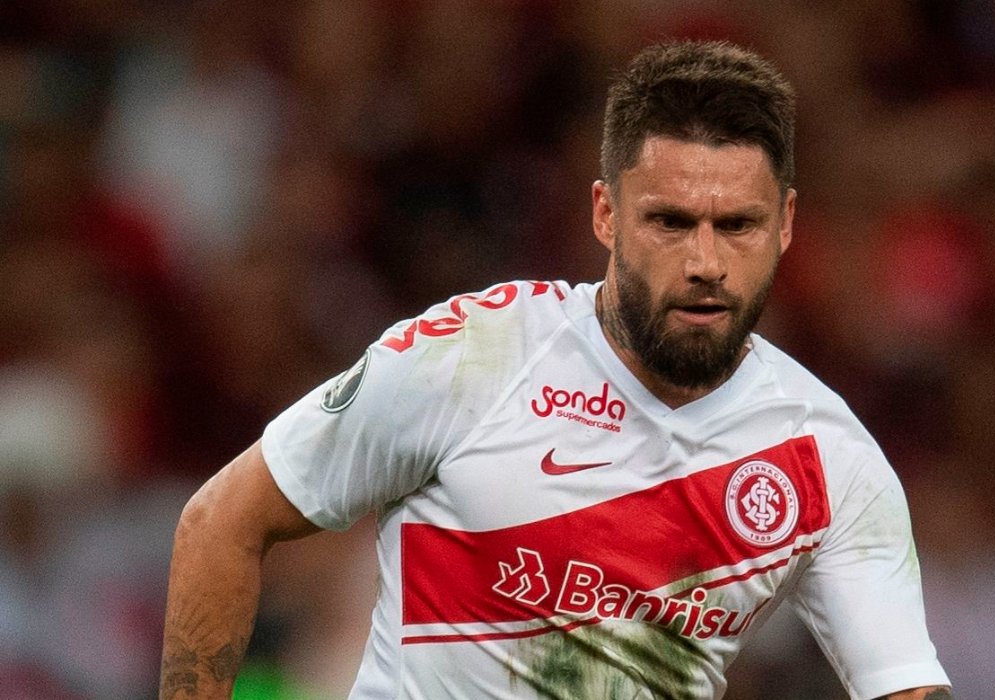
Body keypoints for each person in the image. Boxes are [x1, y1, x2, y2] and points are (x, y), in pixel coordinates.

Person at [160, 40, 952, 700]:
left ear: (784, 224)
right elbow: (221, 523)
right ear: (606, 213)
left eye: (737, 225)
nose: (706, 261)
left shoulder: (827, 459)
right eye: (670, 222)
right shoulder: (473, 353)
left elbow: (905, 687)